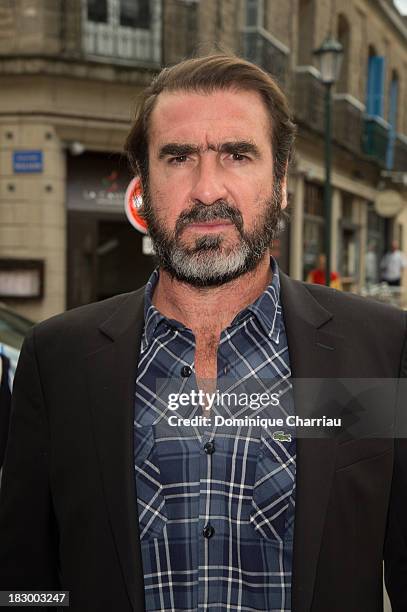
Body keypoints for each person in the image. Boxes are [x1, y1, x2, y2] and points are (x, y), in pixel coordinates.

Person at [0, 54, 406, 612]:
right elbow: (24, 581)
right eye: (179, 157)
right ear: (144, 189)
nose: (207, 188)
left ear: (281, 184)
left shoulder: (381, 352)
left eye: (237, 155)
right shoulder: (58, 360)